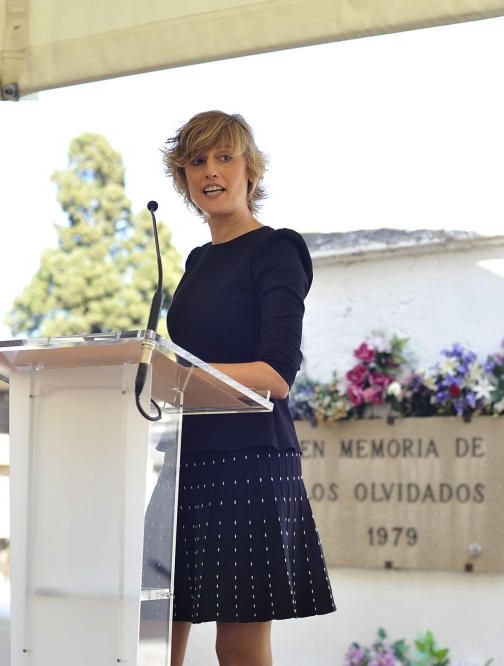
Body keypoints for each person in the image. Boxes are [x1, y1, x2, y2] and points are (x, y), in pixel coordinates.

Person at [159, 111, 336, 666]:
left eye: (223, 157)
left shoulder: (277, 249)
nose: (210, 171)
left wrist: (183, 375)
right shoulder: (195, 261)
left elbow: (277, 373)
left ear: (250, 171)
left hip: (249, 458)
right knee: (156, 625)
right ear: (183, 178)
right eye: (195, 161)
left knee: (236, 643)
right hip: (184, 457)